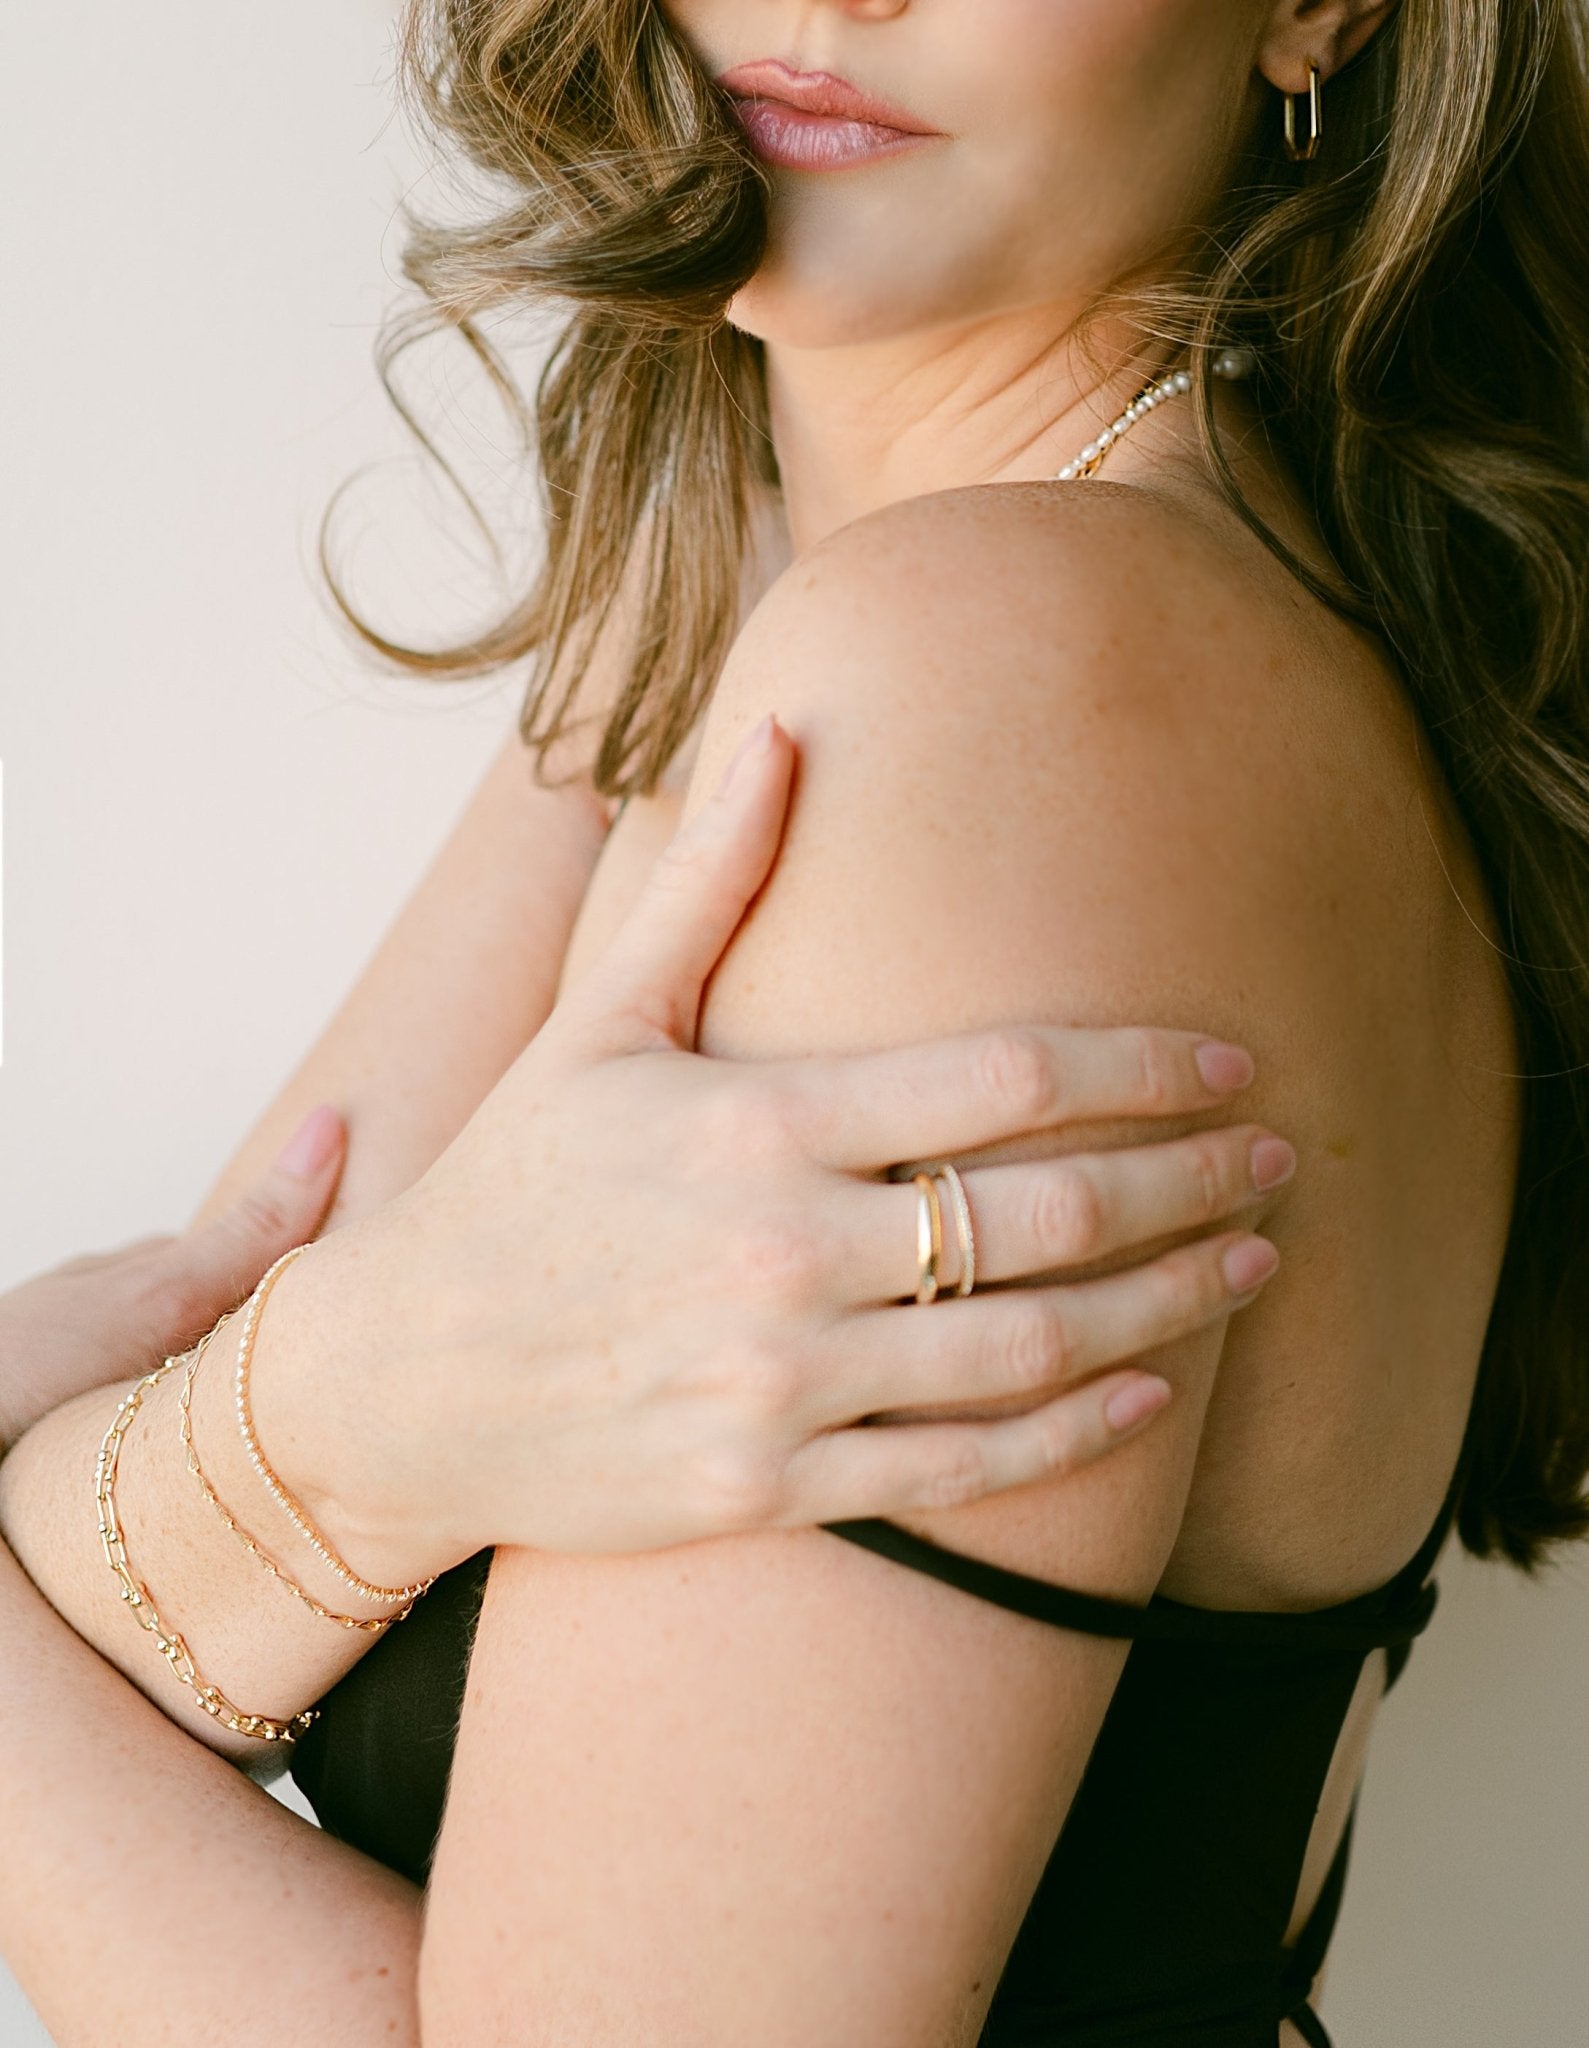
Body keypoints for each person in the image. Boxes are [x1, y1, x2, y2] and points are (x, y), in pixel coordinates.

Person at [2, 0, 1587, 2043]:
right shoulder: (727, 585)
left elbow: (129, 1566)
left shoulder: (1018, 675)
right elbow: (148, 1590)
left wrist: (259, 1456)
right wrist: (344, 1418)